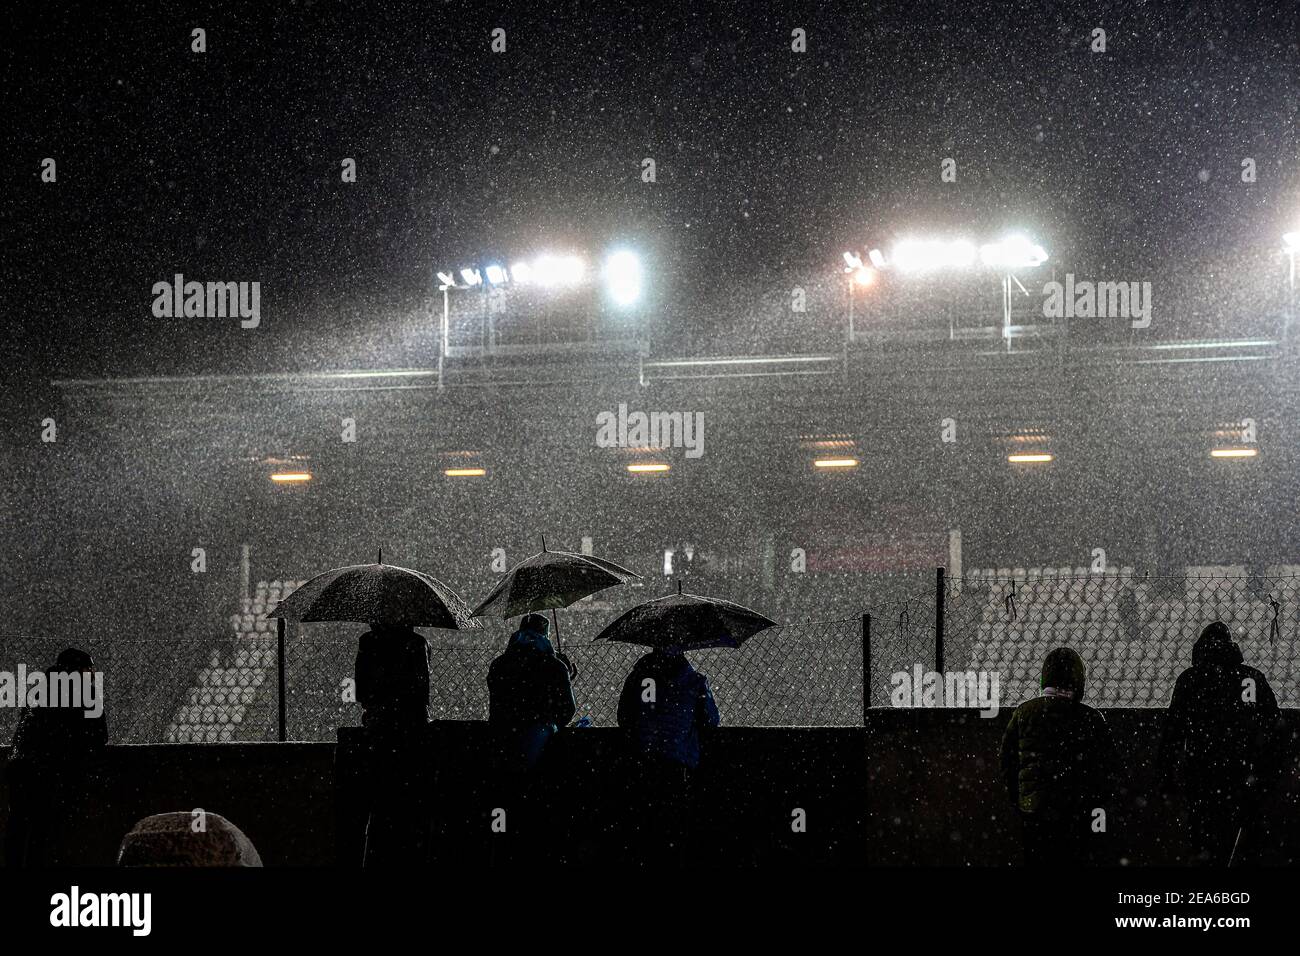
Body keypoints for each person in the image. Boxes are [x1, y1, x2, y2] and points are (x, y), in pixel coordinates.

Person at [1158, 621, 1282, 866]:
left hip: (1202, 777)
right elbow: (1276, 729)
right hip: (1243, 777)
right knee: (1243, 848)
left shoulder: (1190, 679)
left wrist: (1167, 776)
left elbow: (1173, 732)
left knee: (1204, 845)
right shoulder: (1251, 678)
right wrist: (1264, 774)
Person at [1000, 647, 1119, 866]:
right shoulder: (1091, 719)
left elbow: (1007, 762)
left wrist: (1021, 800)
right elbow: (1109, 768)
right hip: (1076, 813)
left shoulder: (1024, 713)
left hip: (1035, 811)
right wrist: (1095, 803)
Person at [617, 646, 721, 864]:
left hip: (642, 759)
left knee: (644, 825)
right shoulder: (695, 682)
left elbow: (624, 716)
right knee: (675, 828)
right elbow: (710, 721)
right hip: (677, 761)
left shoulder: (639, 678)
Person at [5, 647, 107, 867]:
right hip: (52, 771)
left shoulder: (40, 689)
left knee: (19, 827)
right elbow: (99, 735)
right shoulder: (85, 692)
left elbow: (24, 730)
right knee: (42, 832)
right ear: (79, 670)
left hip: (21, 769)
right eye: (88, 668)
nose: (91, 673)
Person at [351, 624, 433, 867]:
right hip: (410, 734)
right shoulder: (417, 643)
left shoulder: (368, 642)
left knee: (378, 806)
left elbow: (361, 692)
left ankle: (375, 856)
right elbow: (423, 695)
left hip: (378, 731)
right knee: (409, 809)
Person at [487, 613, 576, 774]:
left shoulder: (499, 664)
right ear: (546, 636)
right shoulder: (554, 666)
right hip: (537, 734)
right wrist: (564, 676)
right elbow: (568, 709)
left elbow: (497, 696)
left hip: (500, 735)